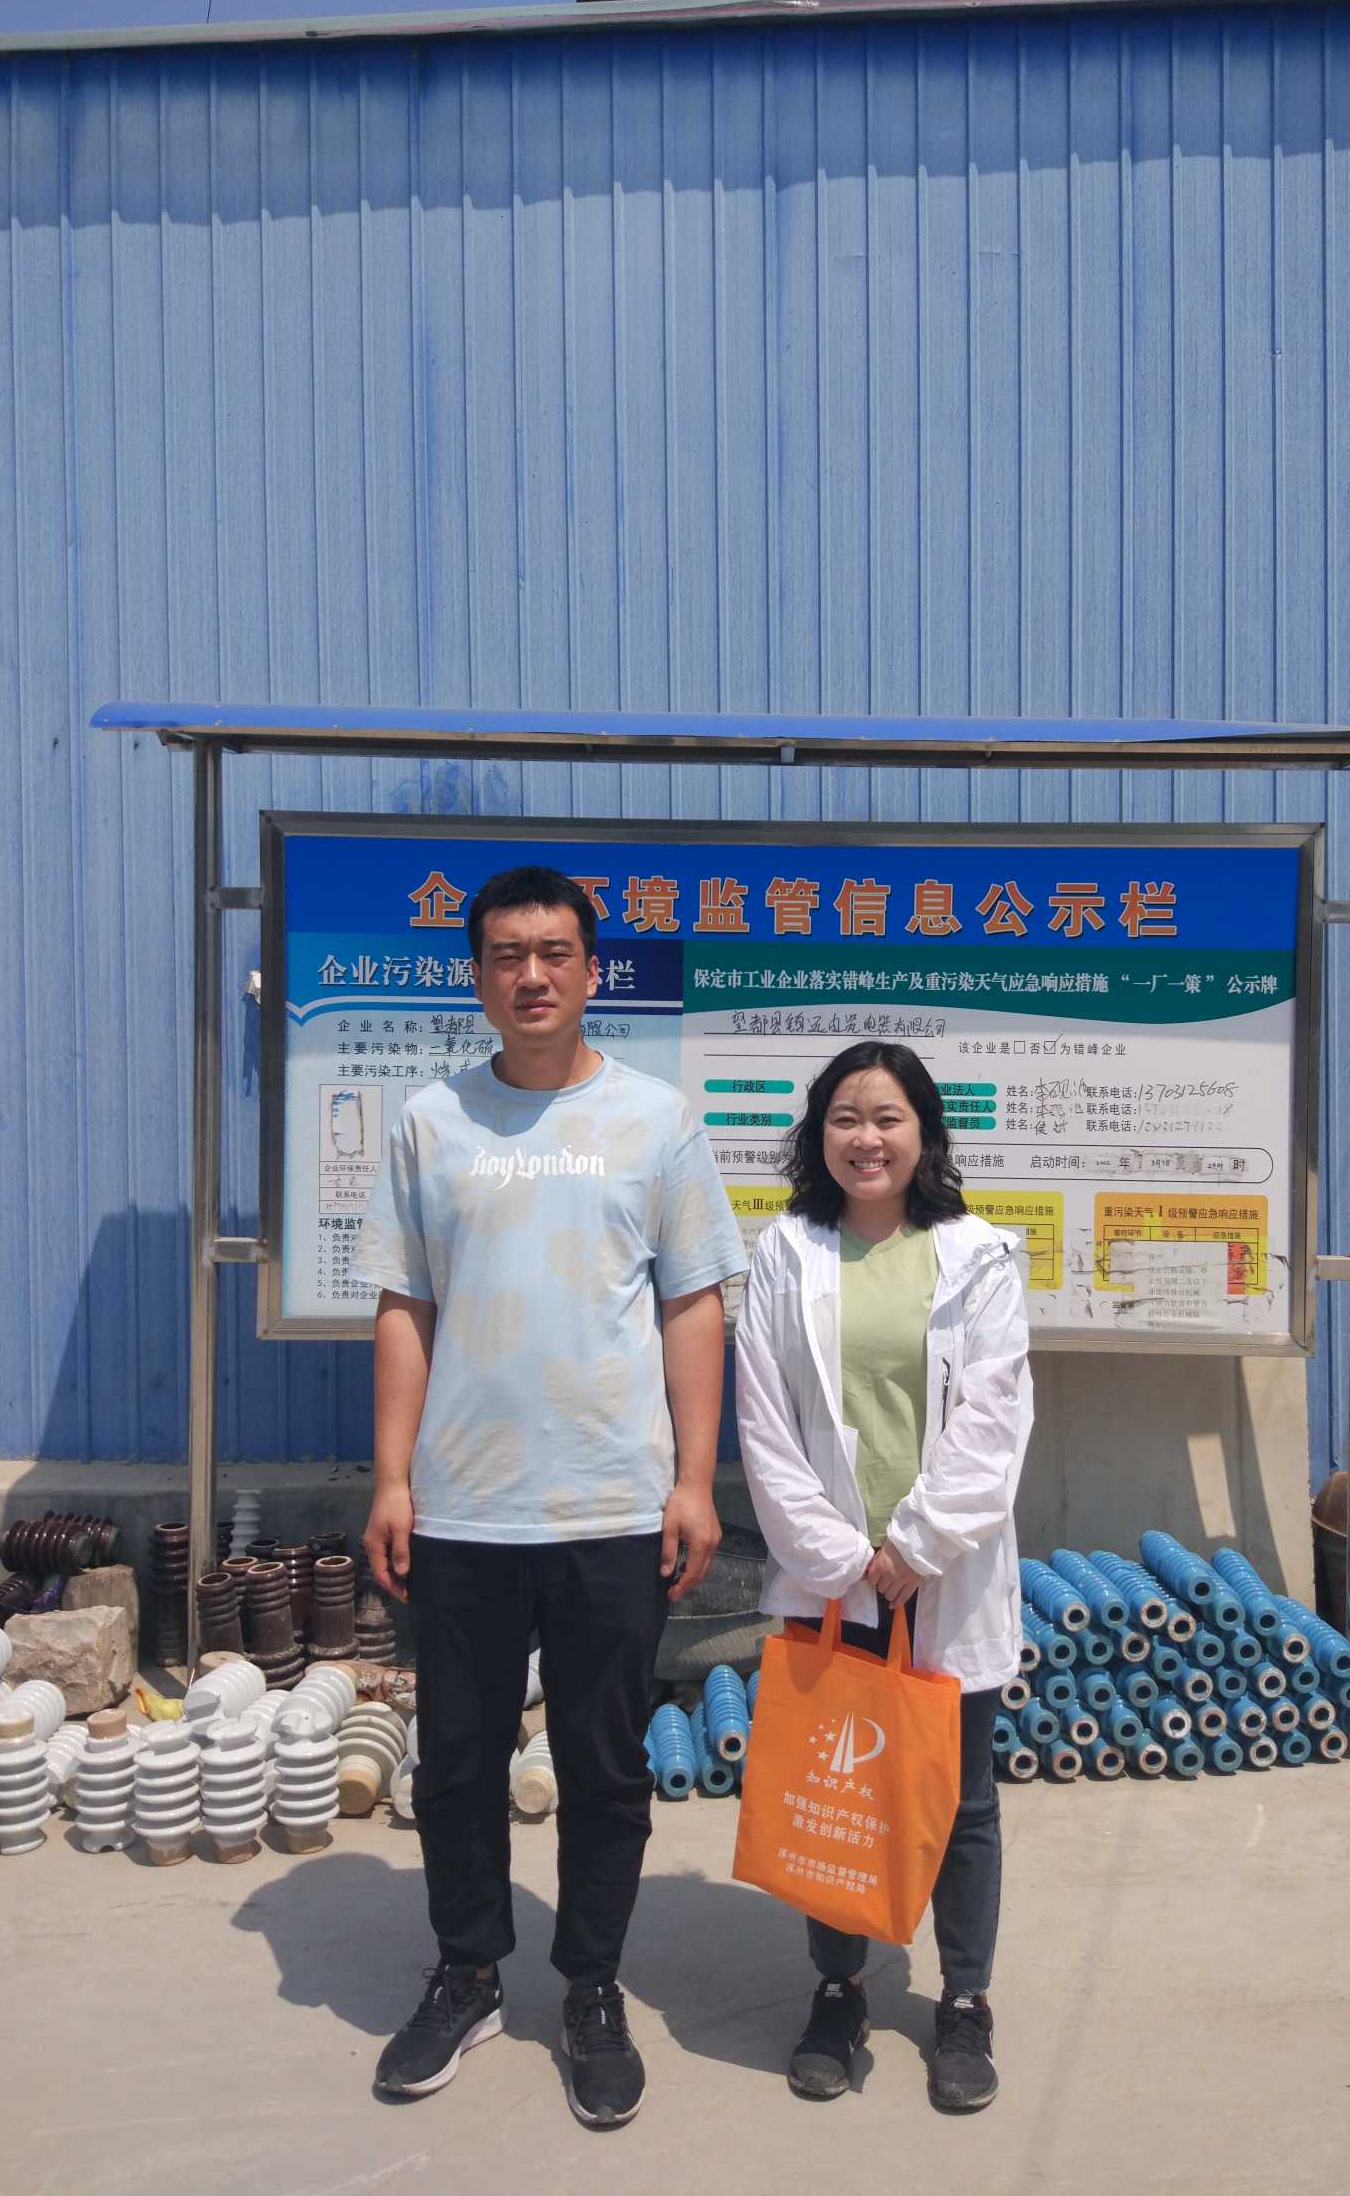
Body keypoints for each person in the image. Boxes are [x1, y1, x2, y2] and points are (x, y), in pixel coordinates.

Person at [355, 865, 747, 2126]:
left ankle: (591, 1987)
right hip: (464, 1509)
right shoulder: (431, 1121)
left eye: (555, 952)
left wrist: (694, 1481)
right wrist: (393, 1478)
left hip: (612, 1508)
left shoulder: (655, 1121)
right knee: (459, 1762)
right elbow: (405, 1304)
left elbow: (694, 1304)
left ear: (591, 970)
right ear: (476, 975)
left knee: (605, 1766)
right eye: (507, 954)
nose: (532, 974)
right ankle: (468, 1973)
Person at [735, 1040, 1033, 2113]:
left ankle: (964, 2001)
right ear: (818, 1134)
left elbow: (996, 1418)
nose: (867, 1138)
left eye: (888, 1117)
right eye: (845, 1118)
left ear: (924, 1134)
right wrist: (841, 1557)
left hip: (942, 1573)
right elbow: (764, 1420)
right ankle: (839, 1988)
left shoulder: (979, 1256)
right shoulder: (786, 1252)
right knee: (836, 1788)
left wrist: (915, 1546)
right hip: (835, 1577)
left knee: (963, 1798)